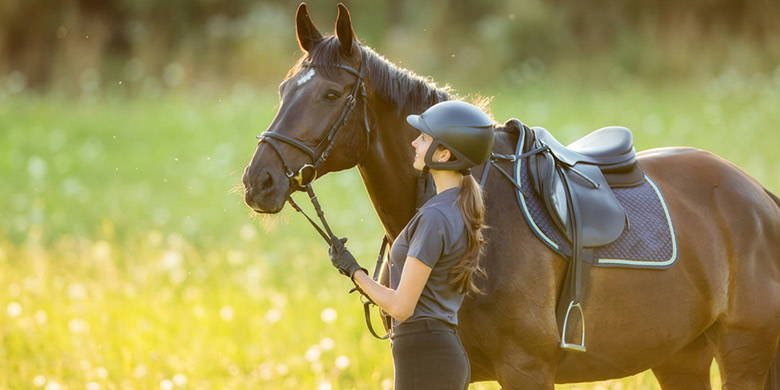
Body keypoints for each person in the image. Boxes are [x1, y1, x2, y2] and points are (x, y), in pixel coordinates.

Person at [328, 100, 495, 390]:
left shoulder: (435, 217)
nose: (414, 142)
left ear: (444, 154)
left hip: (424, 357)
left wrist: (354, 271)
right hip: (438, 353)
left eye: (425, 138)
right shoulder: (457, 207)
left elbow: (401, 307)